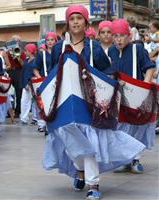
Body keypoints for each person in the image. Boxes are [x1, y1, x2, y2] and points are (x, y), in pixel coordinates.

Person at [44, 5, 145, 200]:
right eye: (72, 18)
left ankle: (93, 183)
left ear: (86, 23)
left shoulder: (94, 47)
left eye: (79, 18)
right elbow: (51, 74)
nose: (75, 22)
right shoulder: (58, 47)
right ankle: (78, 168)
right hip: (64, 103)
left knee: (89, 141)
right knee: (68, 139)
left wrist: (112, 83)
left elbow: (106, 71)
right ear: (67, 23)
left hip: (89, 103)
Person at [108, 18, 156, 174]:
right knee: (121, 129)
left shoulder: (138, 50)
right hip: (118, 97)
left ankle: (135, 159)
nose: (118, 39)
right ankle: (124, 160)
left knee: (136, 127)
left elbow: (149, 68)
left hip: (136, 95)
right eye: (115, 36)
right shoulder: (111, 51)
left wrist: (145, 85)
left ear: (129, 36)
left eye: (122, 35)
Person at [33, 32, 57, 133]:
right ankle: (44, 125)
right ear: (45, 42)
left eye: (52, 39)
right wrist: (40, 78)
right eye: (48, 40)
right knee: (44, 104)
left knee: (54, 104)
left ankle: (52, 125)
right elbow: (35, 68)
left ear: (55, 41)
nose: (50, 42)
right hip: (44, 81)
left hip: (56, 82)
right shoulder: (41, 54)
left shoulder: (59, 53)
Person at [2, 35, 26, 118]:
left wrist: (17, 56)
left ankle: (17, 111)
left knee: (19, 93)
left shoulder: (21, 52)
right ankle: (8, 111)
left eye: (18, 41)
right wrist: (8, 53)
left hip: (18, 72)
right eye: (14, 41)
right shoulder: (7, 52)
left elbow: (23, 64)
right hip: (9, 71)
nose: (16, 42)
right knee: (7, 92)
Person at [19, 43, 36, 125]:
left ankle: (36, 118)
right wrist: (23, 83)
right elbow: (23, 72)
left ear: (31, 51)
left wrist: (29, 83)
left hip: (32, 84)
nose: (24, 52)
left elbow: (34, 73)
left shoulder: (35, 61)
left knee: (35, 102)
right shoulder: (26, 60)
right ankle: (24, 118)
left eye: (26, 50)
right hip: (25, 84)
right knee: (24, 101)